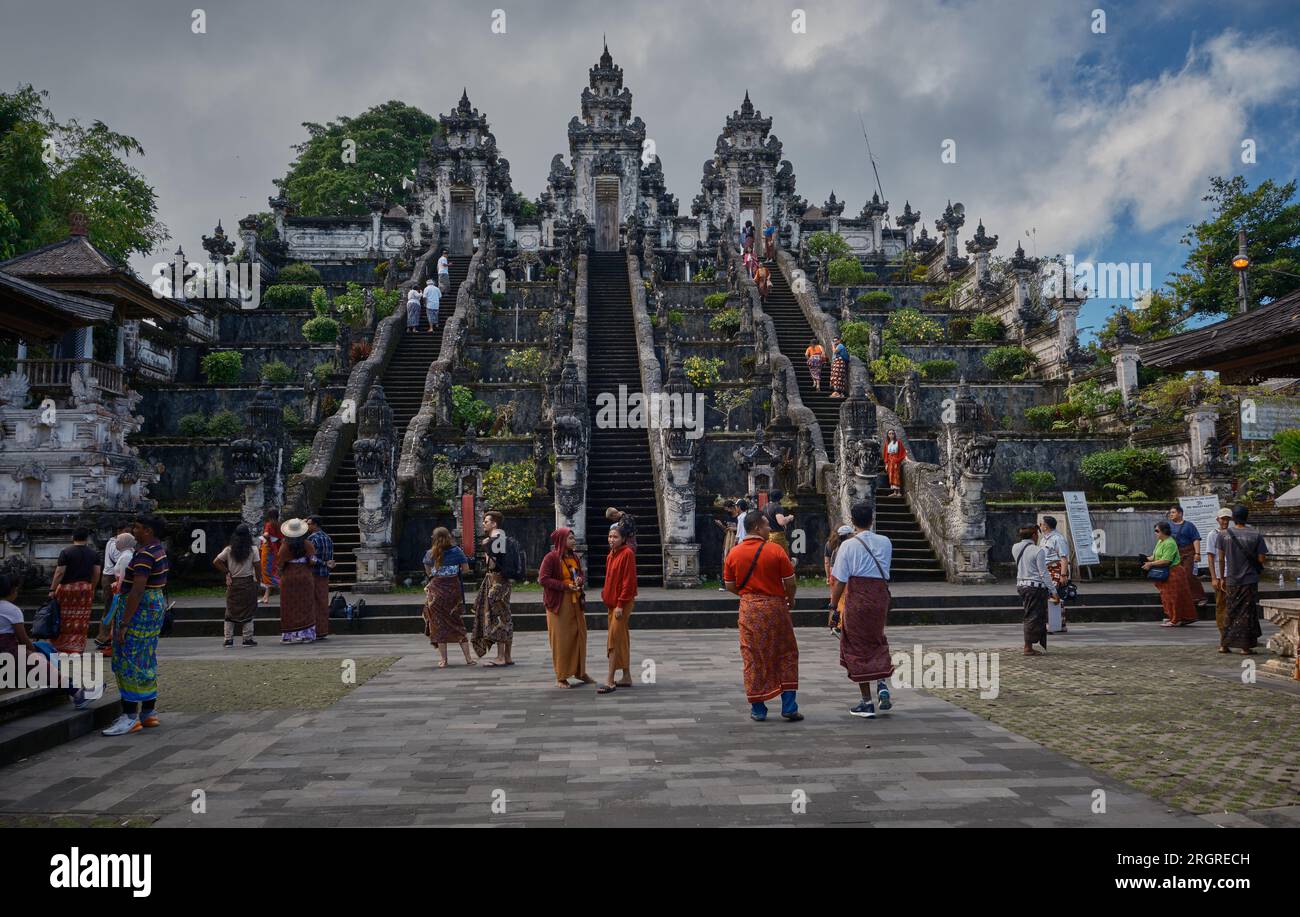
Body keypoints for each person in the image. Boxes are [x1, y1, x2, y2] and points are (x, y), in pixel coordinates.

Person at [724, 510, 801, 722]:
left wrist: (748, 596)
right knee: (786, 653)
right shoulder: (775, 551)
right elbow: (791, 582)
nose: (769, 529)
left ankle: (758, 708)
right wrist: (790, 599)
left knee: (752, 656)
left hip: (749, 609)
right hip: (776, 607)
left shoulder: (734, 553)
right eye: (767, 526)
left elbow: (730, 585)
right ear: (757, 527)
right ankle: (789, 705)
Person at [101, 514, 170, 736]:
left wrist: (124, 623)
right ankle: (148, 712)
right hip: (154, 605)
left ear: (148, 531)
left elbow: (137, 590)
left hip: (139, 608)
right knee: (145, 656)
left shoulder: (145, 555)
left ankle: (130, 715)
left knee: (128, 659)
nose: (134, 531)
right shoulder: (158, 550)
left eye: (138, 528)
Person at [829, 502, 895, 717]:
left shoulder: (847, 546)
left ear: (853, 521)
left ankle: (866, 702)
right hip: (879, 597)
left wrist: (833, 607)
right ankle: (882, 683)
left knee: (856, 645)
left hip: (858, 598)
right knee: (876, 639)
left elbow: (839, 581)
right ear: (872, 519)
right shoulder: (885, 542)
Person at [538, 527, 594, 688]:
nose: (573, 541)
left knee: (579, 636)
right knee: (561, 640)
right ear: (561, 541)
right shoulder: (551, 558)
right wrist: (565, 585)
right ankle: (561, 677)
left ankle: (580, 672)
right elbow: (543, 579)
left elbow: (580, 574)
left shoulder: (574, 556)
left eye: (573, 538)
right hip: (559, 604)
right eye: (570, 538)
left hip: (576, 601)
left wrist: (579, 581)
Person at [422, 527, 476, 668]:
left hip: (436, 591)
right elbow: (466, 569)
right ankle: (468, 658)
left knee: (438, 625)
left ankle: (444, 660)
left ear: (433, 537)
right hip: (453, 589)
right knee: (457, 622)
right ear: (449, 536)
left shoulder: (430, 553)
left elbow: (428, 572)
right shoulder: (457, 551)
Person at [46, 527, 101, 656]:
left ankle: (61, 646)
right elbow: (97, 572)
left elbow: (60, 572)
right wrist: (91, 587)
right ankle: (77, 646)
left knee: (64, 617)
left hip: (67, 589)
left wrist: (52, 589)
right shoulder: (94, 554)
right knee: (81, 619)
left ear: (73, 537)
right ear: (87, 538)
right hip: (85, 589)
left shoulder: (66, 552)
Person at [472, 510, 518, 666]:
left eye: (486, 521)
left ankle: (500, 657)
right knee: (506, 617)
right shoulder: (504, 539)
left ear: (494, 523)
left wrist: (486, 547)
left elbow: (492, 564)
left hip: (496, 582)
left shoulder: (493, 540)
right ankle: (508, 656)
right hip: (504, 582)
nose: (484, 523)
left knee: (499, 618)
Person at [1219, 504, 1266, 655]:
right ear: (1247, 518)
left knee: (1231, 610)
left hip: (1231, 578)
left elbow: (1221, 558)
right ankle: (1245, 647)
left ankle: (1224, 645)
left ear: (1233, 518)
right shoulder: (1256, 535)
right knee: (1246, 611)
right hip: (1249, 579)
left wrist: (1221, 577)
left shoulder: (1224, 534)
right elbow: (1261, 558)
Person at [597, 524, 638, 694]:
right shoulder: (611, 555)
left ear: (623, 539)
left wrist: (620, 604)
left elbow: (628, 582)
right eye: (610, 536)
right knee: (621, 638)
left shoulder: (627, 553)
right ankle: (626, 675)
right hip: (612, 603)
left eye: (615, 537)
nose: (611, 540)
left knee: (613, 640)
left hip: (622, 603)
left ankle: (610, 679)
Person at [1143, 520, 1196, 627]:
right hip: (1166, 573)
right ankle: (1173, 617)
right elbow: (1155, 556)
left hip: (1174, 572)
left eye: (1157, 531)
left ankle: (1176, 619)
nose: (1155, 533)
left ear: (1164, 531)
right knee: (1167, 597)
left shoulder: (1170, 543)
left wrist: (1151, 564)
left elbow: (1166, 560)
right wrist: (1146, 559)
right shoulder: (1161, 542)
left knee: (1174, 597)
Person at [214, 524, 258, 647]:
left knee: (230, 611)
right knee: (248, 610)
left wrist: (227, 571)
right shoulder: (252, 550)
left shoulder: (229, 549)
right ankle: (247, 638)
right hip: (248, 582)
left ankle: (228, 639)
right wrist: (258, 580)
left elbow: (216, 561)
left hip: (234, 583)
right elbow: (258, 565)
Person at [275, 518, 317, 644]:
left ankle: (288, 635)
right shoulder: (308, 545)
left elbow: (280, 564)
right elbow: (313, 561)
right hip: (304, 576)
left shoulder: (285, 546)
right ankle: (306, 635)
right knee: (306, 604)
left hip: (289, 578)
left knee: (288, 606)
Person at [1012, 525, 1050, 656]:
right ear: (1034, 535)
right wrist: (1053, 590)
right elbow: (1044, 573)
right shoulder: (1038, 551)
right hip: (1035, 587)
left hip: (1021, 585)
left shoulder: (1015, 547)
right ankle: (1028, 646)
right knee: (1033, 617)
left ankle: (1029, 644)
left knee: (1031, 614)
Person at [98, 533, 136, 656]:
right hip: (118, 589)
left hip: (120, 591)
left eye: (119, 541)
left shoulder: (126, 557)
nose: (116, 543)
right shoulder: (125, 555)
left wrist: (118, 588)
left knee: (117, 618)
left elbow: (124, 578)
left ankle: (116, 644)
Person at [93, 523, 130, 648]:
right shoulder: (116, 544)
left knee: (111, 608)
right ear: (119, 530)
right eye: (126, 531)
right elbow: (121, 561)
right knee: (111, 607)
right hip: (112, 578)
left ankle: (106, 637)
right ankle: (104, 637)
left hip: (111, 576)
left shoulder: (113, 542)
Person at [1167, 504, 1207, 609]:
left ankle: (1200, 597)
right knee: (1177, 576)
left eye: (1173, 512)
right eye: (1170, 512)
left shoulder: (1189, 525)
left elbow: (1196, 539)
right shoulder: (1168, 526)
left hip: (1189, 552)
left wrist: (1197, 553)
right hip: (1175, 553)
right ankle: (1185, 598)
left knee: (1189, 574)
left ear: (1180, 513)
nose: (1171, 514)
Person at [1204, 507, 1233, 642]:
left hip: (1232, 573)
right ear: (1218, 520)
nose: (1225, 521)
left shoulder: (1233, 533)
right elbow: (1210, 557)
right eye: (1223, 519)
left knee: (1232, 604)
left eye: (1227, 519)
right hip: (1219, 572)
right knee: (1221, 604)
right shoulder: (1213, 534)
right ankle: (1223, 635)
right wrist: (1214, 577)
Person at [1038, 516, 1070, 633]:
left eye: (1041, 524)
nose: (1040, 526)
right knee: (1049, 596)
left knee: (1054, 595)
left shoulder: (1058, 538)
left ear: (1046, 526)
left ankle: (1055, 623)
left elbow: (1064, 557)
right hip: (1046, 569)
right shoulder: (1044, 539)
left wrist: (1063, 574)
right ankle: (1057, 623)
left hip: (1055, 568)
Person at [306, 516, 335, 641]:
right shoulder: (327, 538)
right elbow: (331, 558)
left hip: (314, 573)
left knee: (313, 602)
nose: (307, 526)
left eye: (309, 524)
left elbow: (311, 559)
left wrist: (323, 563)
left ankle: (314, 629)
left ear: (315, 525)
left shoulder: (311, 539)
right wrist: (327, 564)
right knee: (322, 602)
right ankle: (322, 630)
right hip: (324, 574)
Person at [0, 573, 37, 661]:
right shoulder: (13, 610)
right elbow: (22, 638)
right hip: (7, 650)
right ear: (13, 590)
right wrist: (34, 650)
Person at [824, 524, 854, 634]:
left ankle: (832, 623)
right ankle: (840, 625)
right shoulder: (846, 548)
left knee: (834, 600)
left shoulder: (833, 546)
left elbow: (827, 562)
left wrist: (828, 576)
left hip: (833, 574)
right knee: (842, 601)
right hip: (841, 577)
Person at [713, 501, 741, 591]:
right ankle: (725, 582)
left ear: (733, 507)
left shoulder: (739, 518)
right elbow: (726, 530)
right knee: (726, 559)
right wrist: (721, 525)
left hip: (736, 540)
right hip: (728, 540)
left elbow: (743, 530)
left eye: (728, 509)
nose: (727, 511)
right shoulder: (727, 517)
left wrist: (734, 529)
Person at [258, 509, 282, 605]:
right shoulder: (279, 525)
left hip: (268, 551)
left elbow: (266, 534)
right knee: (272, 571)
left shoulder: (268, 524)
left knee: (267, 573)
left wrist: (265, 536)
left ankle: (283, 585)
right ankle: (266, 596)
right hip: (276, 550)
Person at [763, 489, 794, 558]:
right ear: (779, 498)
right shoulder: (777, 507)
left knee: (771, 555)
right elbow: (781, 522)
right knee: (783, 555)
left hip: (768, 535)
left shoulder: (765, 507)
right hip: (777, 536)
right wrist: (789, 517)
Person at [883, 429, 906, 496]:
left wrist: (901, 459)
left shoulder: (898, 442)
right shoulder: (887, 443)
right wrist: (886, 463)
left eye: (892, 433)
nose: (891, 435)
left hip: (896, 461)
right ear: (888, 435)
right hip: (890, 461)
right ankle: (894, 492)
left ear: (894, 434)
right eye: (889, 433)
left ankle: (898, 492)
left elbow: (902, 451)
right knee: (891, 476)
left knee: (896, 475)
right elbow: (886, 454)